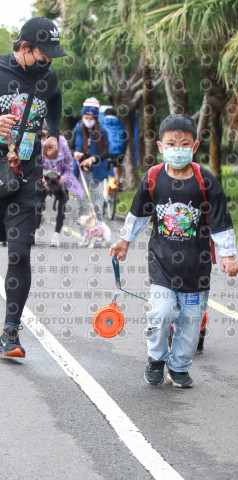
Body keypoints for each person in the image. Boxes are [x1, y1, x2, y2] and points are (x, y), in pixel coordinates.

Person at [109, 114, 238, 388]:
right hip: (162, 263)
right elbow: (138, 214)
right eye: (171, 143)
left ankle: (179, 367)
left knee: (191, 324)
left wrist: (227, 255)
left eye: (184, 144)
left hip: (197, 266)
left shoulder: (206, 181)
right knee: (161, 313)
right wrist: (124, 242)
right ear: (160, 146)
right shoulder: (153, 177)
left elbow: (220, 221)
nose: (177, 149)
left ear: (195, 147)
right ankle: (156, 359)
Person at [0, 17, 67, 357]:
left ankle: (10, 332)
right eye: (43, 56)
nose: (47, 64)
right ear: (24, 49)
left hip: (27, 177)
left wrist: (53, 133)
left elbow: (54, 100)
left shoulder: (48, 76)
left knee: (19, 252)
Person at [71, 97, 109, 236]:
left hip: (97, 171)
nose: (88, 119)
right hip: (80, 171)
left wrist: (93, 159)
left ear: (96, 118)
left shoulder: (102, 131)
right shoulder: (77, 129)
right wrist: (75, 153)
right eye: (85, 117)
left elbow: (106, 152)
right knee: (81, 204)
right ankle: (84, 235)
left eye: (91, 117)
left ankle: (98, 233)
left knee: (97, 205)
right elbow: (71, 147)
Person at [40, 127, 84, 247]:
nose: (45, 140)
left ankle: (56, 234)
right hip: (44, 179)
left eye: (46, 136)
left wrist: (61, 179)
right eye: (42, 137)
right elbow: (36, 166)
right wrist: (43, 179)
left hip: (61, 178)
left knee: (63, 201)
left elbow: (69, 168)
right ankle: (35, 229)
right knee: (36, 199)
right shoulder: (39, 144)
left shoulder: (63, 145)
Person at [101, 106, 127, 188]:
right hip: (118, 152)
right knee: (117, 164)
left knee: (102, 165)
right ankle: (118, 180)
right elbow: (125, 137)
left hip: (105, 153)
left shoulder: (101, 122)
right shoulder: (120, 123)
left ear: (104, 115)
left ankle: (104, 184)